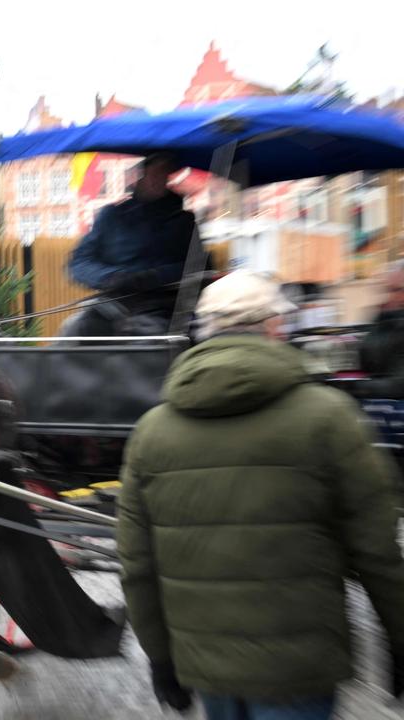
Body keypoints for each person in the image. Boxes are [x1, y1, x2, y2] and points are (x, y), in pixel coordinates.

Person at [117, 271, 404, 720]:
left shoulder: (151, 433)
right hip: (298, 668)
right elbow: (378, 551)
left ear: (204, 332)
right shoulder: (330, 418)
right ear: (274, 327)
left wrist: (160, 657)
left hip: (206, 665)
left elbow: (136, 564)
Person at [63, 153, 202, 337]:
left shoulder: (184, 222)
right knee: (75, 328)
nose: (158, 178)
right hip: (113, 303)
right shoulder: (111, 216)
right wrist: (111, 277)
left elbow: (200, 267)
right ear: (140, 175)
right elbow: (79, 262)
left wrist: (154, 276)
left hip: (165, 305)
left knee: (155, 336)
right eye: (154, 171)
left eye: (164, 172)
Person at [350, 260, 404, 399]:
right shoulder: (382, 320)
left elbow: (399, 386)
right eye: (386, 289)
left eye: (396, 290)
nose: (388, 297)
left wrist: (352, 386)